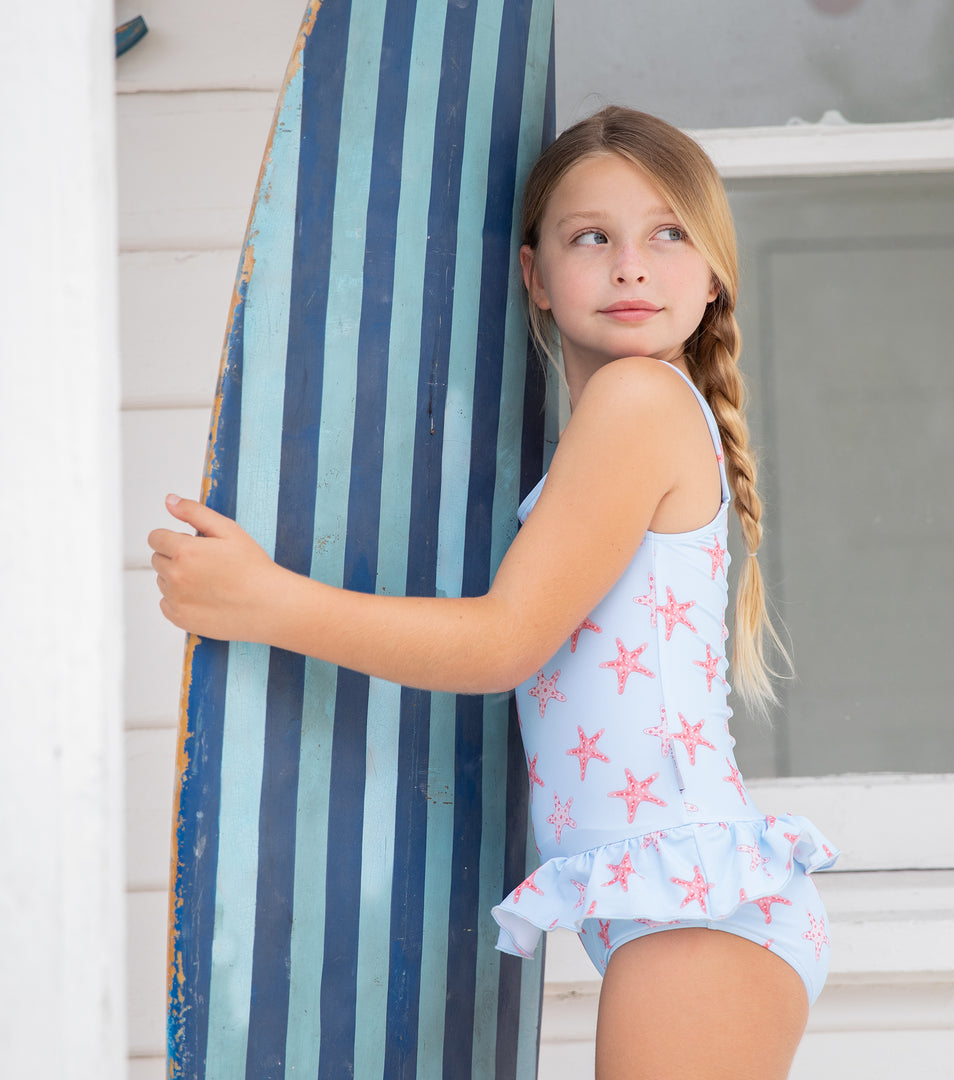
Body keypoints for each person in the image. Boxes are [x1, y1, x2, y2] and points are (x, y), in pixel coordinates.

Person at [150, 106, 837, 1080]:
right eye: (591, 237)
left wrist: (262, 601)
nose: (631, 264)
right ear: (536, 278)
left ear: (715, 269)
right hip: (684, 903)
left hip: (695, 904)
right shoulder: (623, 418)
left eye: (667, 233)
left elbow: (504, 642)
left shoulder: (638, 403)